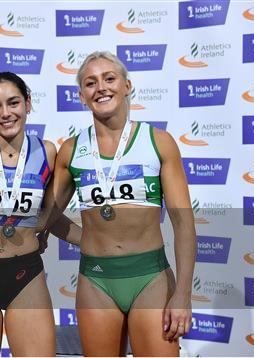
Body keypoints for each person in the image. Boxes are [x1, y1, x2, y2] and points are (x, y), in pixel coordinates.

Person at [52, 51, 196, 356]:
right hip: (96, 281)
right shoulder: (71, 151)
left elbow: (183, 223)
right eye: (90, 83)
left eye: (109, 78)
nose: (101, 87)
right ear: (81, 96)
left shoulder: (158, 141)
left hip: (151, 279)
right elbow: (46, 217)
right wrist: (85, 238)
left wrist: (183, 294)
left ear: (127, 85)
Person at [0, 72, 80, 356]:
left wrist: (91, 241)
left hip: (26, 274)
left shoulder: (47, 151)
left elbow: (50, 215)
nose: (5, 113)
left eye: (13, 103)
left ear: (27, 102)